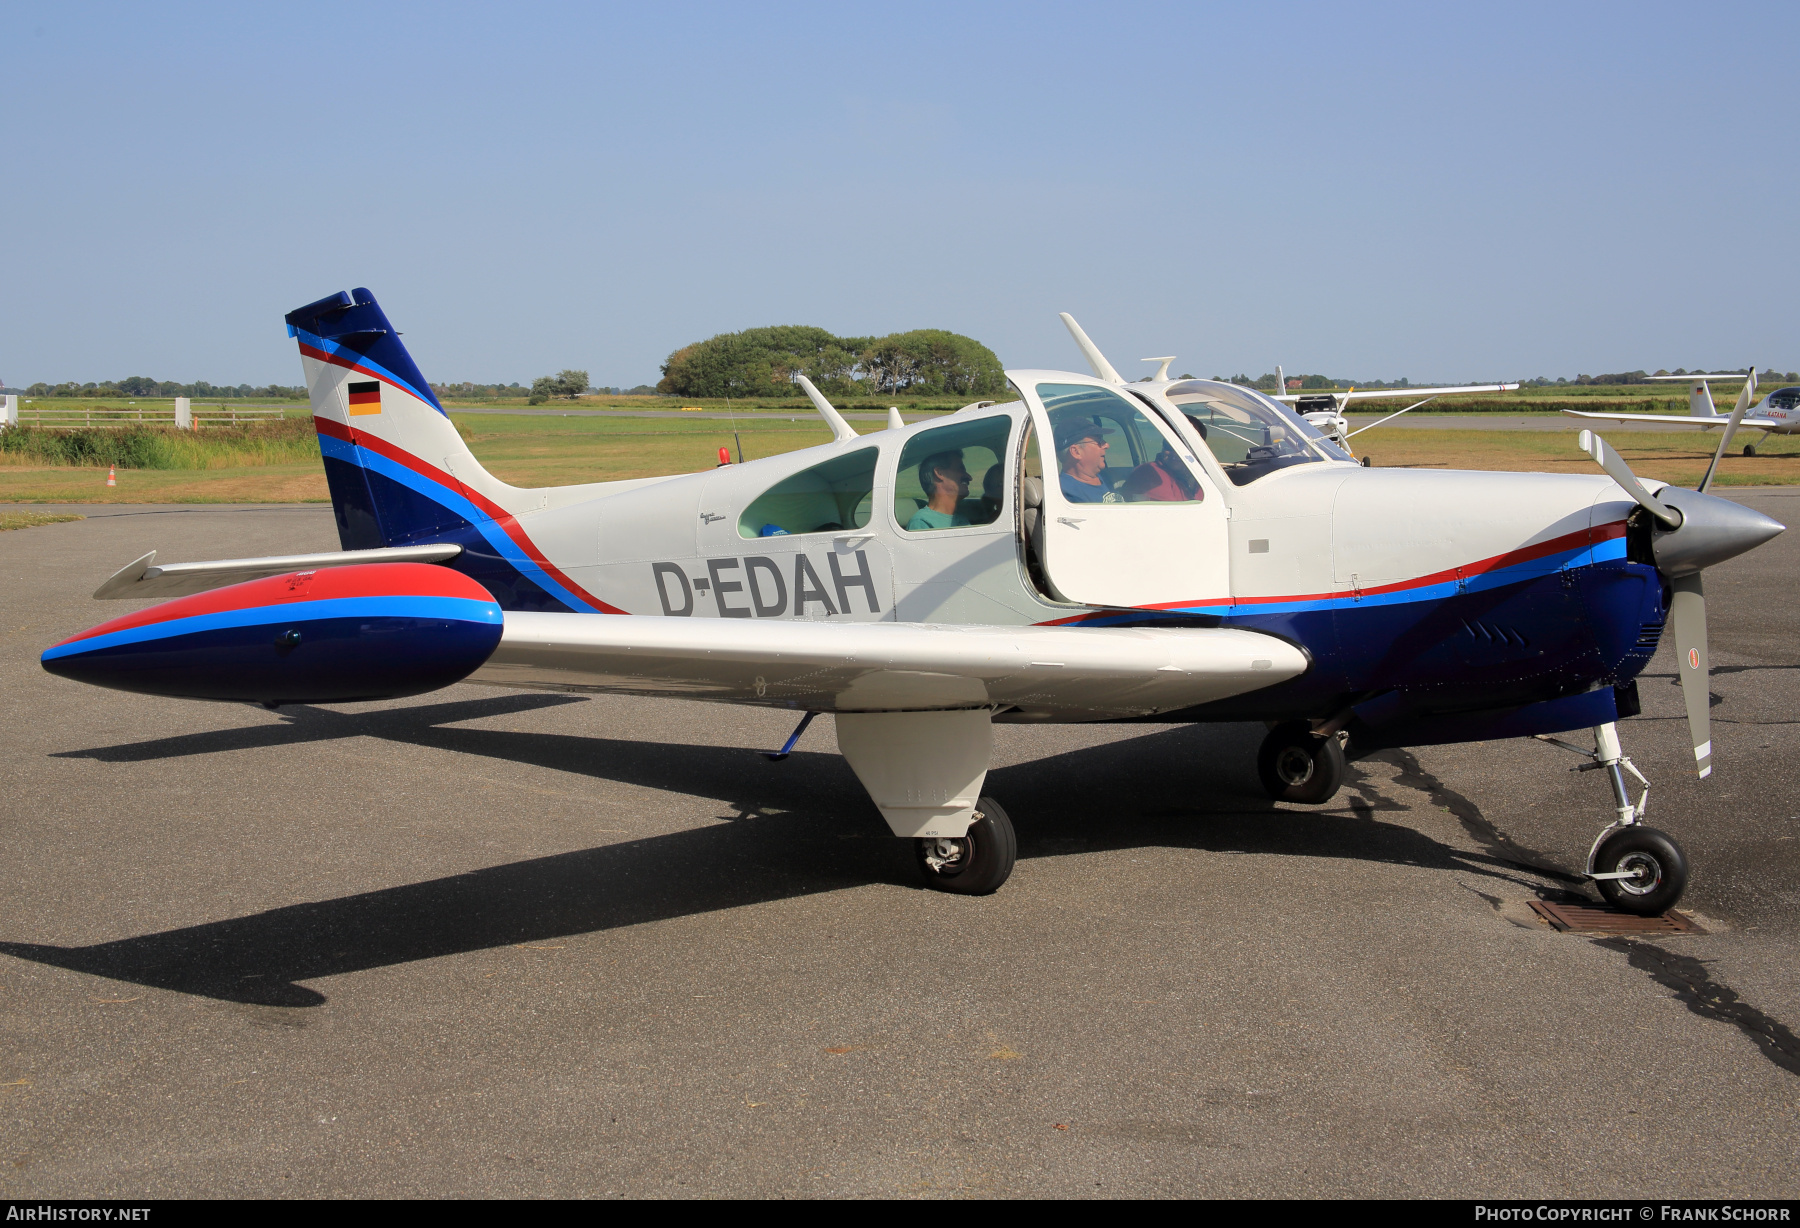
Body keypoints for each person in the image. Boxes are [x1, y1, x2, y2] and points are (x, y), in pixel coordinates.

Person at [1055, 418, 1120, 503]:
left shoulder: (1107, 478)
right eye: (1099, 441)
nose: (1106, 445)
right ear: (1076, 452)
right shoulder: (1065, 495)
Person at [906, 449, 972, 531]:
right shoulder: (922, 523)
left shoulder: (962, 519)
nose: (969, 477)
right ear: (940, 473)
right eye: (961, 469)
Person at [1120, 442, 1201, 502]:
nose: (1175, 453)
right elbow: (1173, 510)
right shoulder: (1149, 471)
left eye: (1184, 448)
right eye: (1169, 447)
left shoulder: (1202, 476)